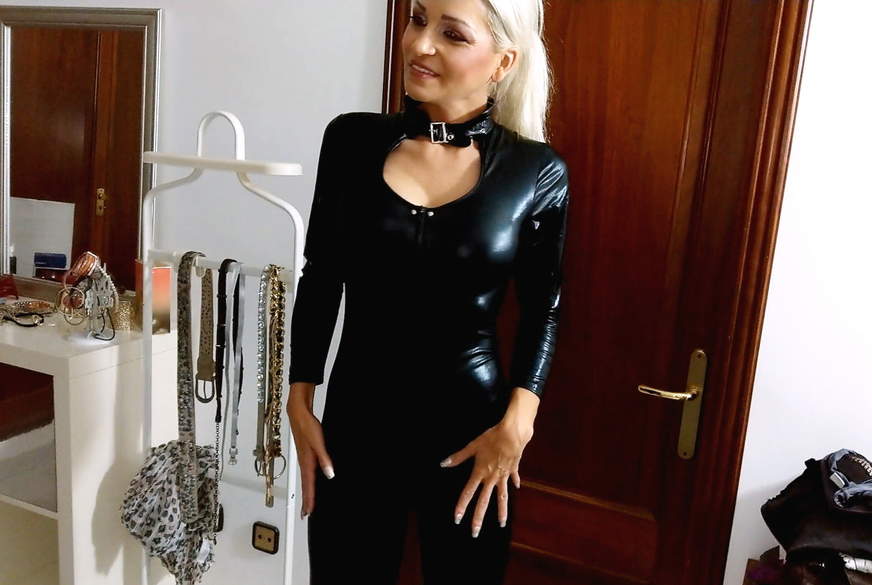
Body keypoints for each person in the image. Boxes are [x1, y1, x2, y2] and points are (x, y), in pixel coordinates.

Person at [286, 0, 569, 583]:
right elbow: (321, 275)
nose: (420, 44)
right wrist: (298, 398)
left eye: (452, 34)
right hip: (356, 429)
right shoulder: (350, 140)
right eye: (417, 19)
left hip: (473, 436)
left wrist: (518, 424)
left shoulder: (536, 171)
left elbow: (544, 306)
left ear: (502, 62)